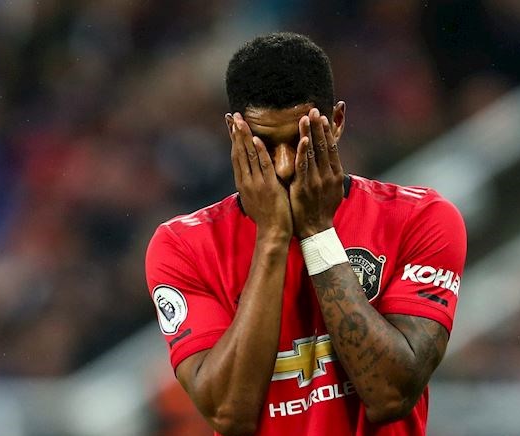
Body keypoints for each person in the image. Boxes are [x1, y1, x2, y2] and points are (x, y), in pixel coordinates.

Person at [145, 32, 467, 436]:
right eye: (263, 143)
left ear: (336, 122)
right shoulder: (183, 246)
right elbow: (229, 413)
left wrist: (317, 231)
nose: (283, 166)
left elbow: (389, 395)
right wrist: (272, 238)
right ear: (233, 132)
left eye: (300, 140)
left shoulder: (419, 219)